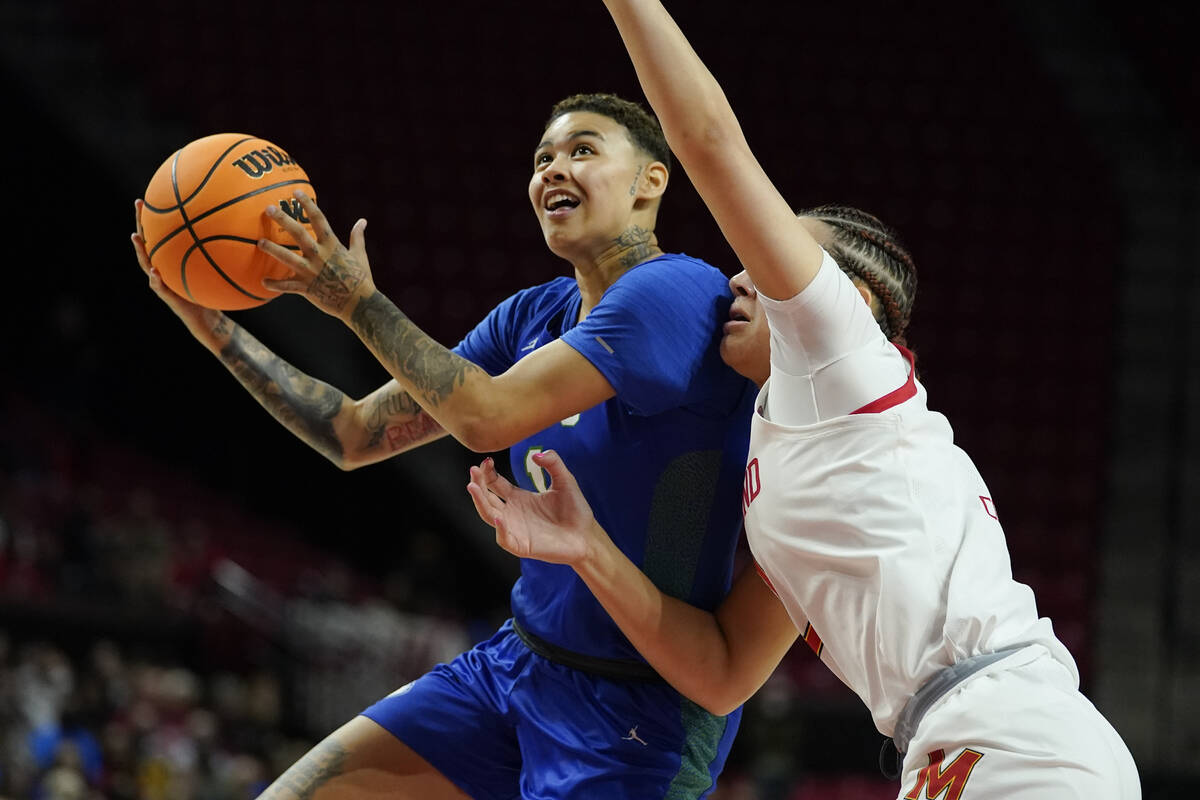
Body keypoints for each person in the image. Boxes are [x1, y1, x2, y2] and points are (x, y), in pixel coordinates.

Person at [465, 2, 1142, 797]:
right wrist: (588, 549)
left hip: (1014, 734)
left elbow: (710, 143)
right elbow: (718, 674)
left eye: (772, 260)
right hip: (943, 746)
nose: (741, 275)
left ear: (843, 299)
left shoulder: (845, 360)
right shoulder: (786, 464)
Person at [131, 92, 756, 799]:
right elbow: (354, 434)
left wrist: (352, 300)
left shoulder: (679, 292)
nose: (553, 169)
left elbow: (486, 420)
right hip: (514, 667)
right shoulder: (534, 311)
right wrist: (215, 329)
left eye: (583, 150)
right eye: (542, 158)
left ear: (652, 180)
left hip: (638, 712)